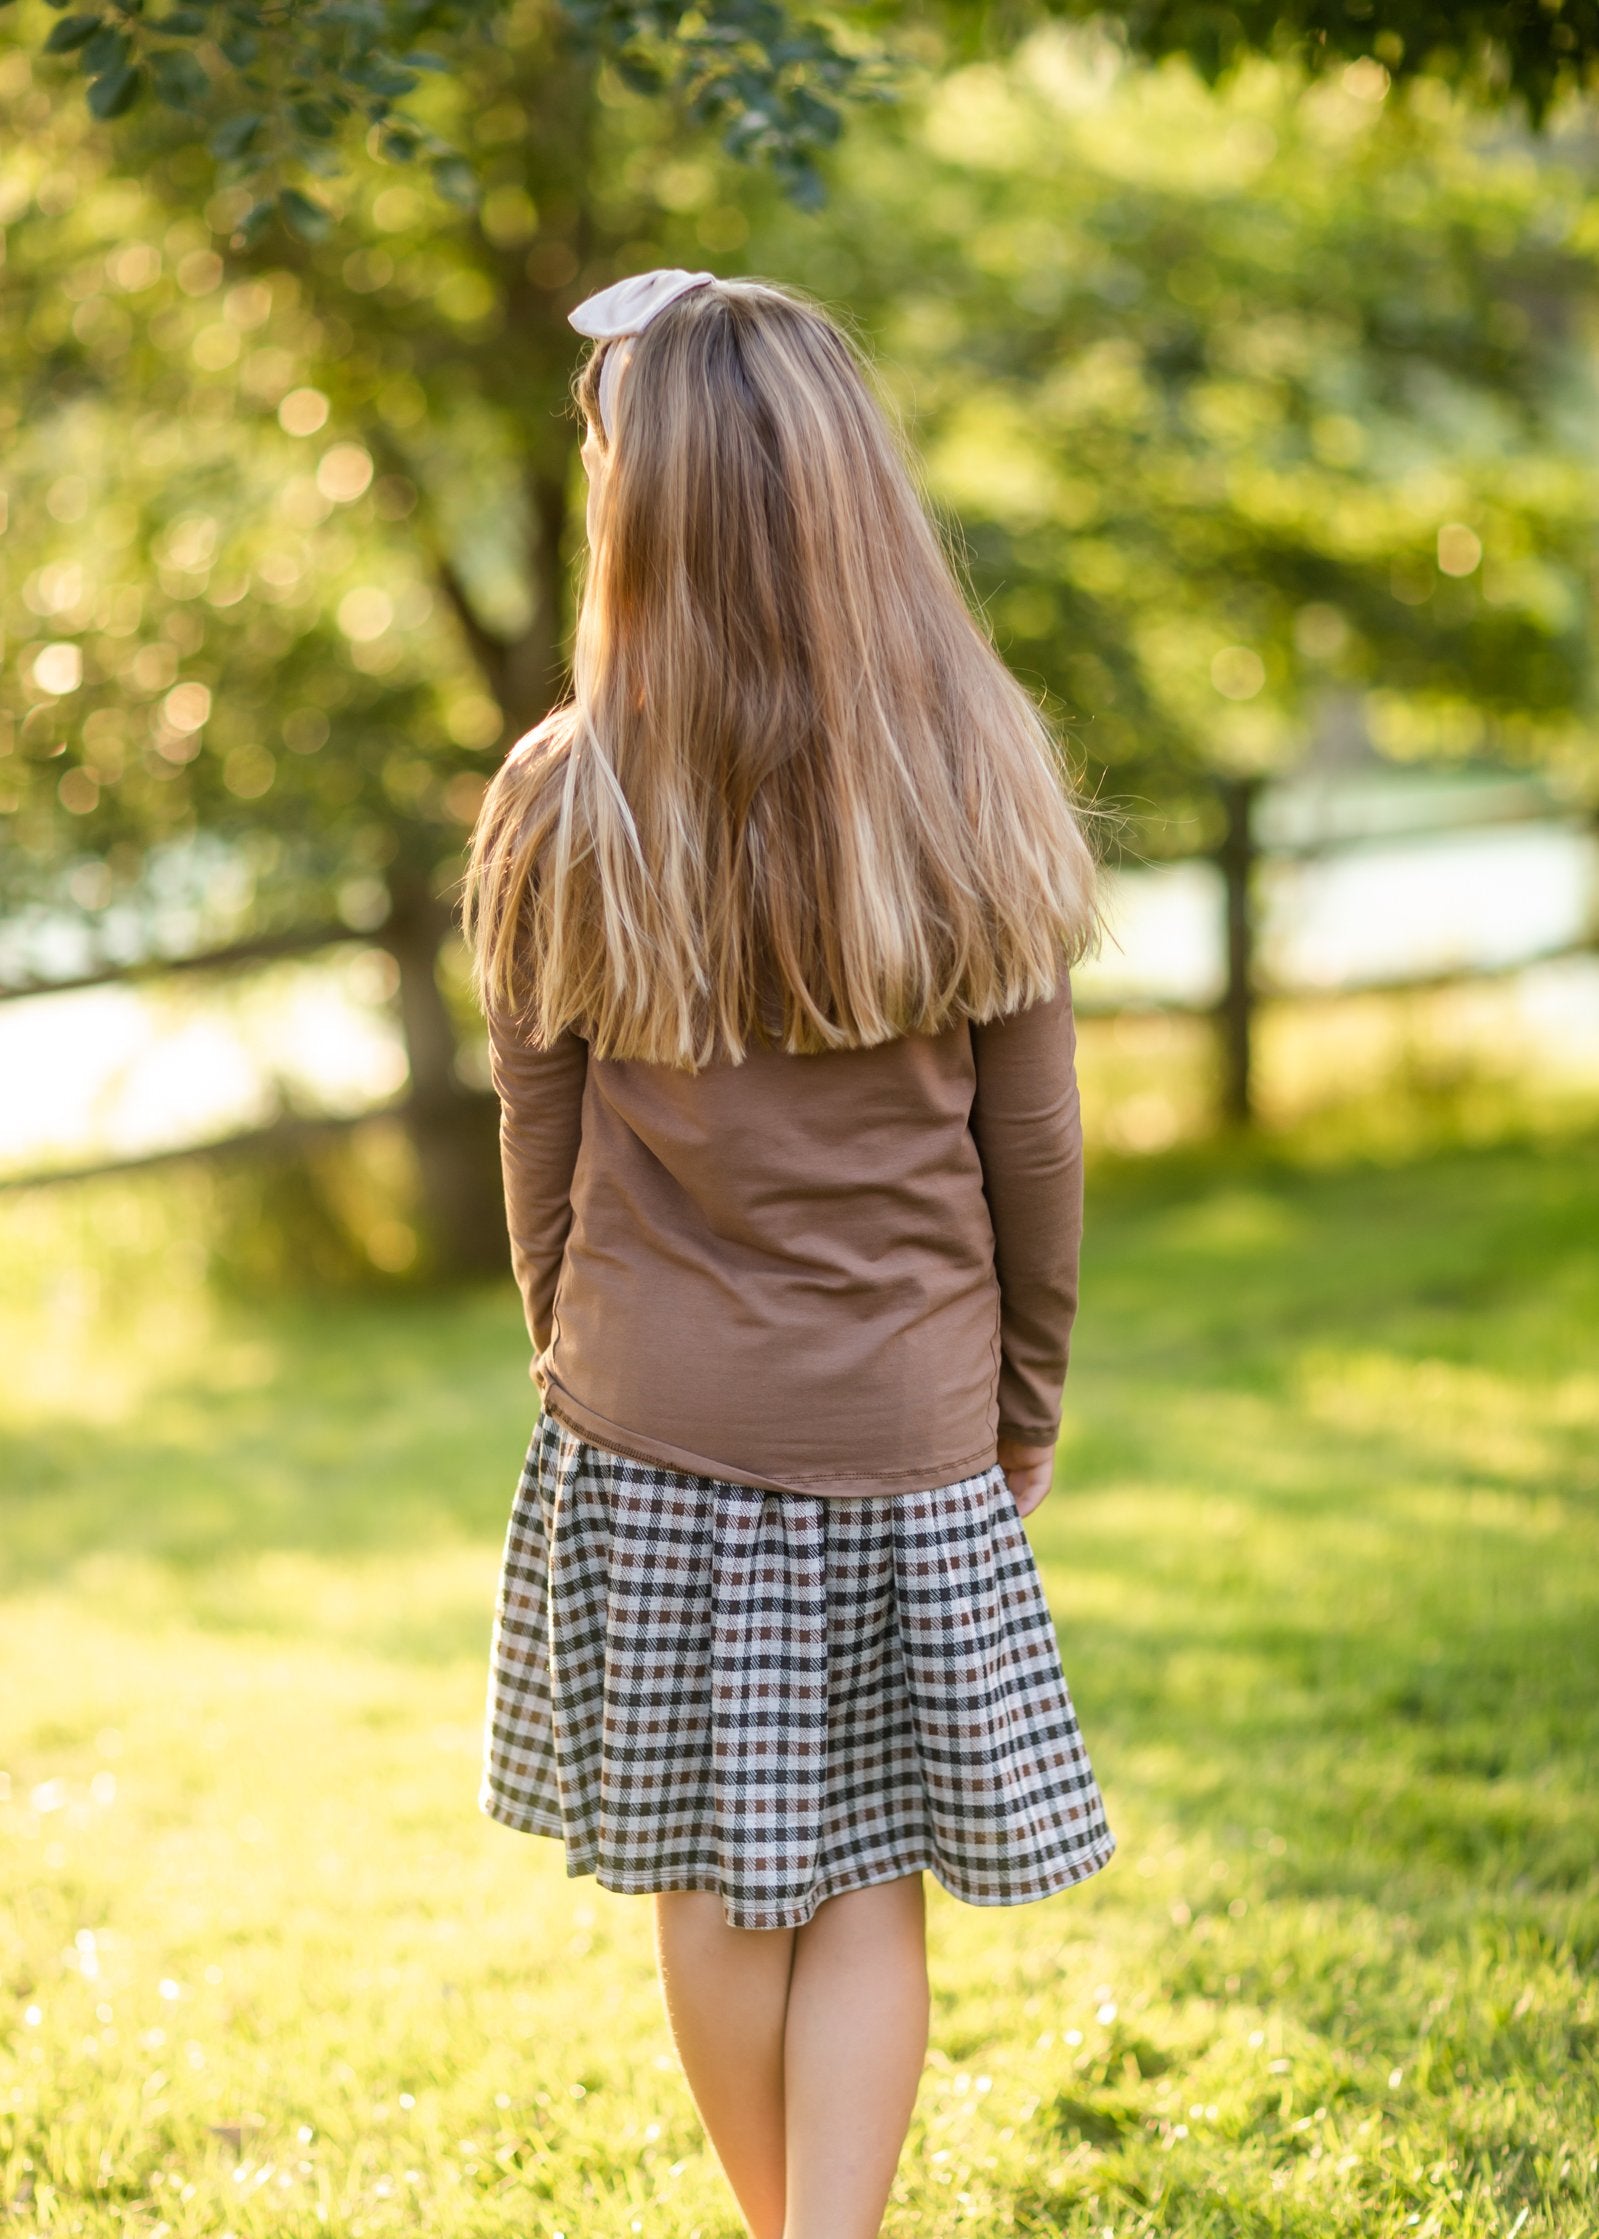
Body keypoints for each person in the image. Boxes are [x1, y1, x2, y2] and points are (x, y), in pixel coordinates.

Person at [462, 267, 1117, 2239]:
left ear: (630, 509)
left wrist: (560, 1356)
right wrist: (1026, 1395)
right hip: (905, 1423)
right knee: (862, 1879)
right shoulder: (965, 765)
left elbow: (537, 1141)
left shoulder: (561, 795)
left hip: (644, 1421)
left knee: (699, 1874)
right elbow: (1035, 1146)